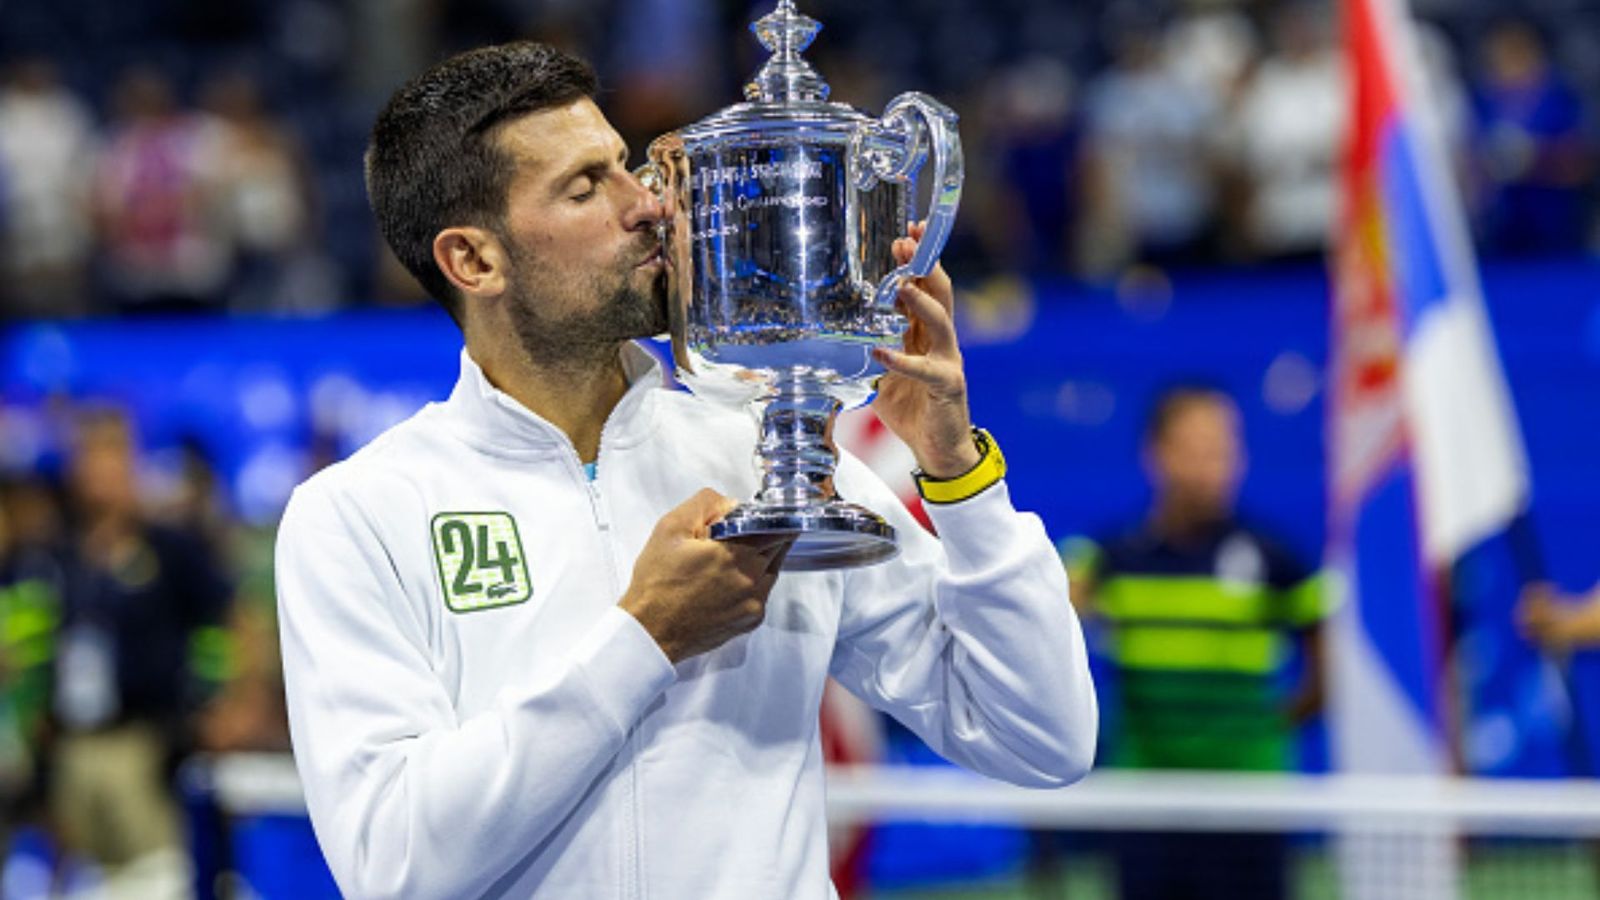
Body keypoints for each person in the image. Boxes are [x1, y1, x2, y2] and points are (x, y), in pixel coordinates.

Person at [274, 41, 1096, 899]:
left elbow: (1044, 739)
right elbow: (392, 864)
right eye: (586, 187)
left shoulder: (766, 455)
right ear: (474, 261)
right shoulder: (360, 513)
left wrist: (957, 473)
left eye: (628, 167)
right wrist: (646, 638)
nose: (652, 204)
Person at [1062, 386, 1329, 900]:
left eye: (1226, 448)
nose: (1216, 465)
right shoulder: (1111, 557)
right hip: (1147, 804)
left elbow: (1328, 664)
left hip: (1250, 804)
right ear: (1156, 455)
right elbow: (1053, 613)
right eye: (1198, 448)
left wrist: (1269, 727)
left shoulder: (1276, 559)